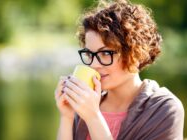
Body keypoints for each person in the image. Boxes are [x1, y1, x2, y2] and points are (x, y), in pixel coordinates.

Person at [54, 0, 185, 139]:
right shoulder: (87, 105)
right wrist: (67, 116)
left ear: (135, 53)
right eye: (89, 54)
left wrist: (93, 117)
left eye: (105, 53)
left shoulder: (163, 109)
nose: (93, 65)